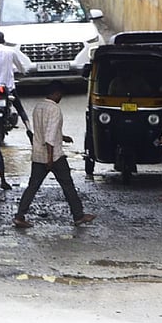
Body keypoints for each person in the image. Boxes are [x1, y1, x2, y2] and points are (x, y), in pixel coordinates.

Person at [13, 82, 95, 228]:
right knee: (68, 185)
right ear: (56, 93)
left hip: (38, 154)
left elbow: (43, 130)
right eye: (60, 94)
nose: (61, 97)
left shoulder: (38, 107)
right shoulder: (55, 109)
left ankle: (19, 216)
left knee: (33, 186)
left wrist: (62, 136)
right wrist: (50, 158)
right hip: (54, 155)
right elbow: (50, 135)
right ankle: (78, 215)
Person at [0, 31, 32, 134]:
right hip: (8, 87)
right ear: (4, 40)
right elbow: (21, 67)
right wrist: (23, 72)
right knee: (19, 108)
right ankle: (29, 130)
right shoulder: (11, 52)